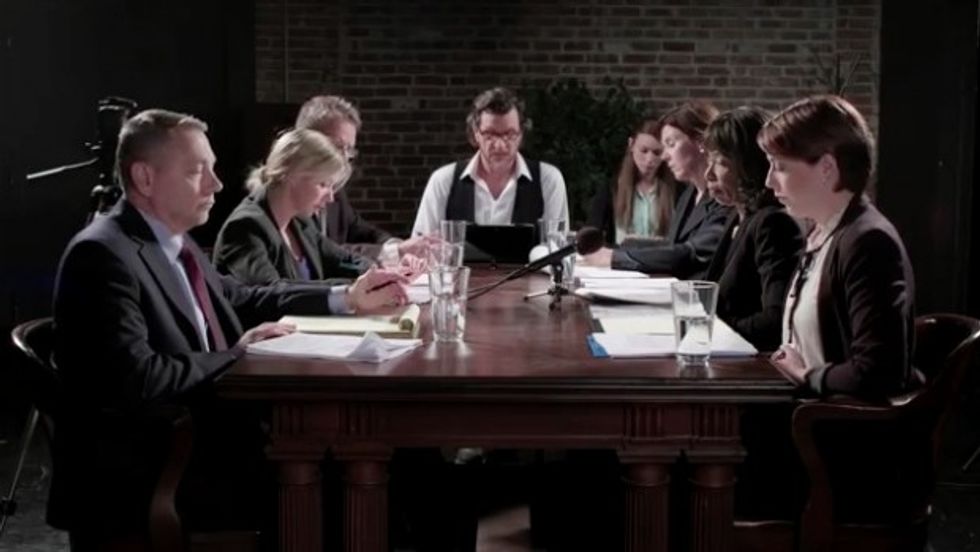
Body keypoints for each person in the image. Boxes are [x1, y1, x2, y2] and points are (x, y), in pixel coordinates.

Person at [49, 109, 408, 549]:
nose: (216, 184)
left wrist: (346, 298)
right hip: (156, 468)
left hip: (210, 437)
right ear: (145, 178)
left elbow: (244, 297)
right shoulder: (102, 254)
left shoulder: (174, 239)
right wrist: (237, 355)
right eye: (197, 171)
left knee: (374, 465)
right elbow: (139, 377)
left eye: (214, 169)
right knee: (357, 478)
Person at [762, 95, 916, 400]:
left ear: (826, 168)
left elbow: (879, 371)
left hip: (832, 420)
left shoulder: (868, 241)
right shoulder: (822, 231)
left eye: (780, 167)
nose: (769, 182)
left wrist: (806, 376)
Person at [212, 128, 407, 285]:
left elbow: (346, 261)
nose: (330, 197)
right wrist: (348, 293)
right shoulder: (245, 227)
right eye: (323, 184)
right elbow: (273, 294)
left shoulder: (300, 222)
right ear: (291, 175)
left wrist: (383, 274)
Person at [582, 101, 731, 279]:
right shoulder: (690, 194)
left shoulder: (725, 196)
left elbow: (690, 254)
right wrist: (622, 249)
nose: (665, 156)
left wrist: (615, 258)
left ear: (700, 143)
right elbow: (673, 246)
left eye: (671, 144)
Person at [701, 107, 804, 351]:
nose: (708, 174)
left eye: (721, 162)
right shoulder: (740, 215)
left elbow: (775, 322)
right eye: (709, 161)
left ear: (752, 165)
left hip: (750, 362)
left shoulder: (773, 223)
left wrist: (711, 332)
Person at [295, 95, 437, 263]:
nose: (344, 158)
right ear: (306, 140)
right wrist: (395, 252)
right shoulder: (294, 188)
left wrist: (398, 245)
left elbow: (360, 230)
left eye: (349, 150)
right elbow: (322, 251)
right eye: (337, 146)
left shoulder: (335, 189)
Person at [411, 86, 569, 235]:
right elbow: (422, 246)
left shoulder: (548, 180)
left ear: (521, 134)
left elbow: (557, 248)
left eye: (509, 134)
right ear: (476, 133)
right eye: (490, 135)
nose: (499, 145)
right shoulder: (443, 180)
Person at [588, 113, 681, 247]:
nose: (649, 160)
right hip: (622, 257)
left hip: (661, 258)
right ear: (631, 145)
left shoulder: (677, 190)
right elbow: (593, 233)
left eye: (657, 153)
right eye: (644, 151)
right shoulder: (612, 189)